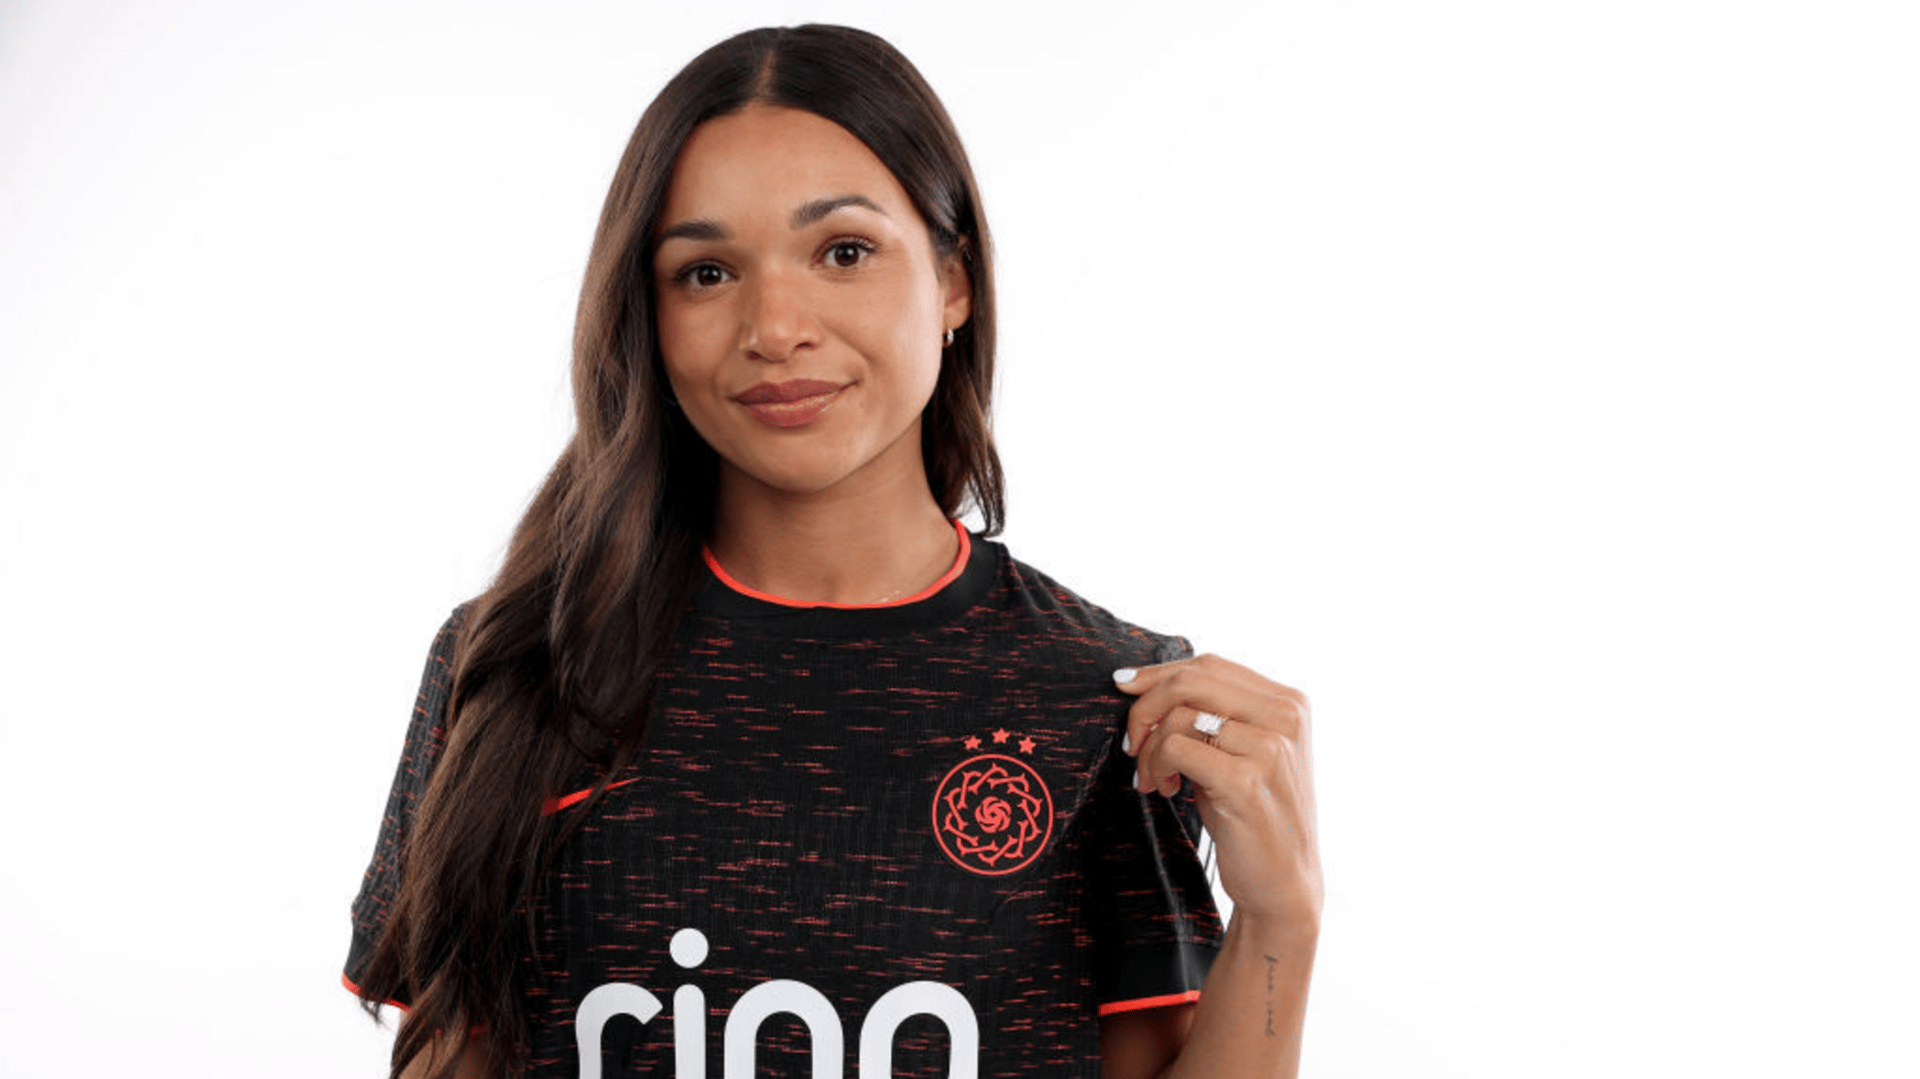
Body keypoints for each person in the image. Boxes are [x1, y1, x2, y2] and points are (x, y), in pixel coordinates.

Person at [343, 24, 1320, 1079]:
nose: (775, 325)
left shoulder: (1107, 702)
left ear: (953, 281)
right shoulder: (512, 669)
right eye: (706, 270)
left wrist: (1283, 919)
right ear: (648, 312)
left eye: (843, 252)